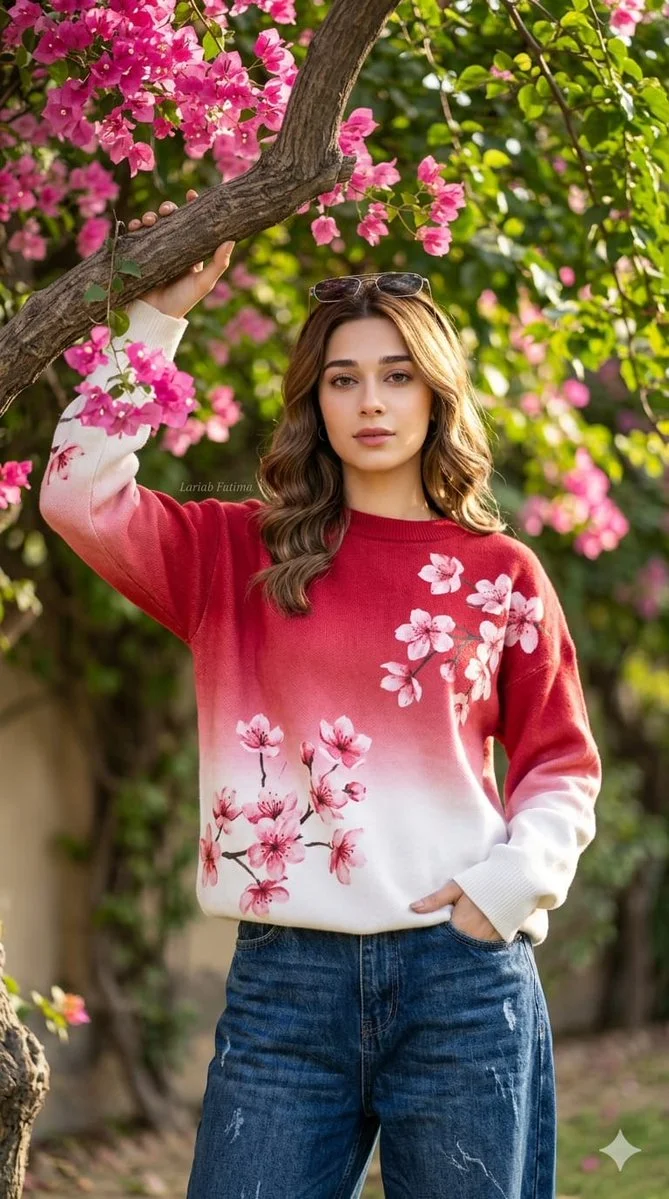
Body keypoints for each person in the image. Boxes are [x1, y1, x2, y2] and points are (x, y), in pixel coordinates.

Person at [40, 190, 602, 1199]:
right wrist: (156, 322)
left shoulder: (500, 571)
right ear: (316, 400)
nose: (372, 402)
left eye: (397, 375)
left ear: (436, 395)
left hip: (462, 981)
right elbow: (78, 495)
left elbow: (560, 761)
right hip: (283, 988)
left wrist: (507, 888)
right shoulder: (232, 557)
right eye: (344, 379)